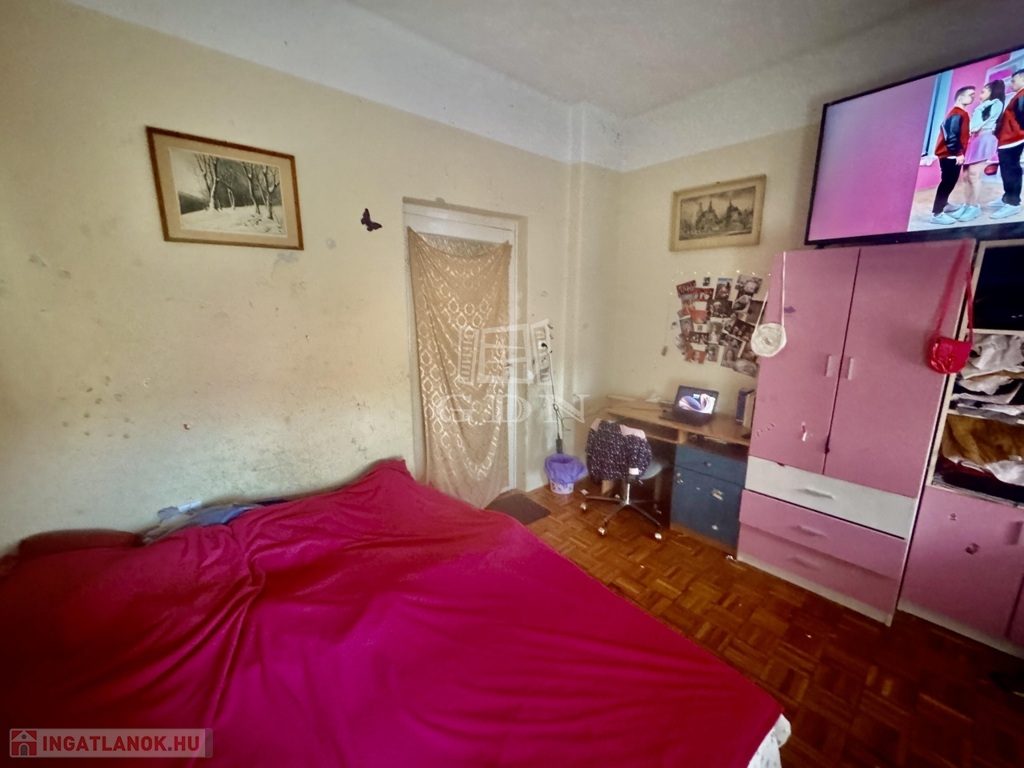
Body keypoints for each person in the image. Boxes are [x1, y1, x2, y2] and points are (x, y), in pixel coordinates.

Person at [956, 80, 1005, 221]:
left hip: (983, 140)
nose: (979, 95)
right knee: (966, 176)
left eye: (983, 91)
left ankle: (974, 207)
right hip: (974, 140)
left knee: (974, 174)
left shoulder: (996, 103)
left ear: (992, 91)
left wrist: (973, 129)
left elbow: (981, 123)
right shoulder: (984, 105)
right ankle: (967, 204)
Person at [931, 86, 975, 225]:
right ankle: (937, 214)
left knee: (950, 181)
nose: (973, 97)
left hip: (951, 154)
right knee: (947, 182)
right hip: (951, 155)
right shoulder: (957, 113)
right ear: (961, 97)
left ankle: (944, 204)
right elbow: (951, 136)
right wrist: (959, 153)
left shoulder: (959, 113)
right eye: (970, 95)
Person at [991, 69, 1024, 220]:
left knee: (1011, 170)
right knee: (1007, 170)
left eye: (1014, 81)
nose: (1011, 84)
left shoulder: (1023, 95)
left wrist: (1018, 133)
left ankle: (1013, 203)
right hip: (1008, 139)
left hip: (1014, 139)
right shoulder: (1019, 95)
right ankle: (1007, 197)